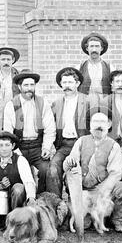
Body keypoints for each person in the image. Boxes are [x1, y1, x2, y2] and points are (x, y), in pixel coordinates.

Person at [63, 110, 122, 232]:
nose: (99, 125)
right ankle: (90, 215)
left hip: (103, 190)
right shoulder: (81, 141)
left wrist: (101, 190)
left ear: (109, 125)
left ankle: (117, 220)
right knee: (83, 225)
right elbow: (69, 165)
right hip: (84, 190)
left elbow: (115, 174)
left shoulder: (114, 146)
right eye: (95, 121)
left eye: (102, 122)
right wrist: (68, 162)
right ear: (90, 125)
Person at [3, 69, 56, 194]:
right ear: (19, 87)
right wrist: (15, 151)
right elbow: (8, 133)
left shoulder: (42, 103)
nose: (29, 88)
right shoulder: (11, 105)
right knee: (17, 174)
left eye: (32, 85)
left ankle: (42, 198)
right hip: (18, 146)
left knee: (46, 171)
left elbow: (50, 128)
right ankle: (20, 202)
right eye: (26, 85)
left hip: (38, 147)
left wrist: (46, 147)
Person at [0, 131, 36, 230]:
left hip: (17, 199)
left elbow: (28, 181)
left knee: (18, 188)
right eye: (1, 145)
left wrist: (31, 197)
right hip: (0, 198)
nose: (4, 148)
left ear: (12, 146)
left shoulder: (20, 160)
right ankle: (1, 220)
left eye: (7, 145)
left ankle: (16, 219)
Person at [48, 67, 91, 197]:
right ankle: (57, 204)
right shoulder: (56, 104)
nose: (67, 86)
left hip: (82, 145)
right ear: (61, 84)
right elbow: (51, 127)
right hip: (64, 145)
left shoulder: (88, 101)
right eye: (64, 82)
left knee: (80, 173)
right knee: (53, 169)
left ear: (77, 84)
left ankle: (79, 205)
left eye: (70, 82)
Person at [78, 32, 113, 103]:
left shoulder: (109, 67)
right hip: (84, 104)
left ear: (102, 48)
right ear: (87, 48)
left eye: (97, 46)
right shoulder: (80, 67)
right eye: (91, 46)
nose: (94, 50)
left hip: (104, 104)